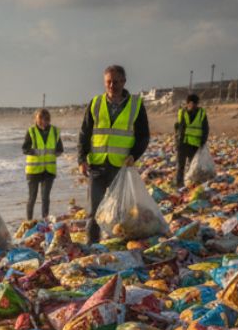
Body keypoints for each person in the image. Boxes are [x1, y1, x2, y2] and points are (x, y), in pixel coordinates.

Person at [77, 64, 149, 244]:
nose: (112, 86)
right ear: (104, 82)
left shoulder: (135, 105)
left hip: (121, 167)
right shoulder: (96, 103)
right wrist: (81, 159)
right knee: (93, 211)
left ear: (124, 82)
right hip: (97, 166)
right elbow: (85, 134)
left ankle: (120, 244)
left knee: (122, 211)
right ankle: (92, 246)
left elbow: (143, 135)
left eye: (116, 82)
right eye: (108, 82)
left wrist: (134, 155)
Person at [22, 108, 64, 220]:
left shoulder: (55, 132)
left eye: (45, 119)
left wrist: (55, 153)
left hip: (49, 170)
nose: (43, 122)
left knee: (45, 197)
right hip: (33, 170)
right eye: (40, 119)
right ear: (36, 119)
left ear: (49, 120)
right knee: (32, 198)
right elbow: (25, 149)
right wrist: (37, 152)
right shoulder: (31, 131)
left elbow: (60, 149)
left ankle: (45, 221)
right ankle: (29, 221)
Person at [175, 93, 209, 187]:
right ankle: (179, 184)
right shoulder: (182, 112)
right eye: (190, 103)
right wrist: (177, 140)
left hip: (195, 144)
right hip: (183, 143)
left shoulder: (201, 113)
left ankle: (191, 183)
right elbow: (179, 127)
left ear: (197, 104)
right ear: (187, 103)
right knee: (180, 166)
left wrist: (203, 141)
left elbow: (205, 128)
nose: (192, 105)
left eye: (194, 104)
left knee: (192, 166)